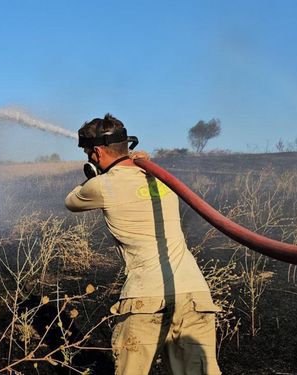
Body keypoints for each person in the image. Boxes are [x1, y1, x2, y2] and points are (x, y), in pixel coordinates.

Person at [64, 114, 222, 375]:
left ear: (98, 153)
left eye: (89, 153)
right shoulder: (161, 178)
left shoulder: (102, 186)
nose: (89, 158)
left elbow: (71, 201)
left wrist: (91, 175)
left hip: (146, 297)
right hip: (195, 294)